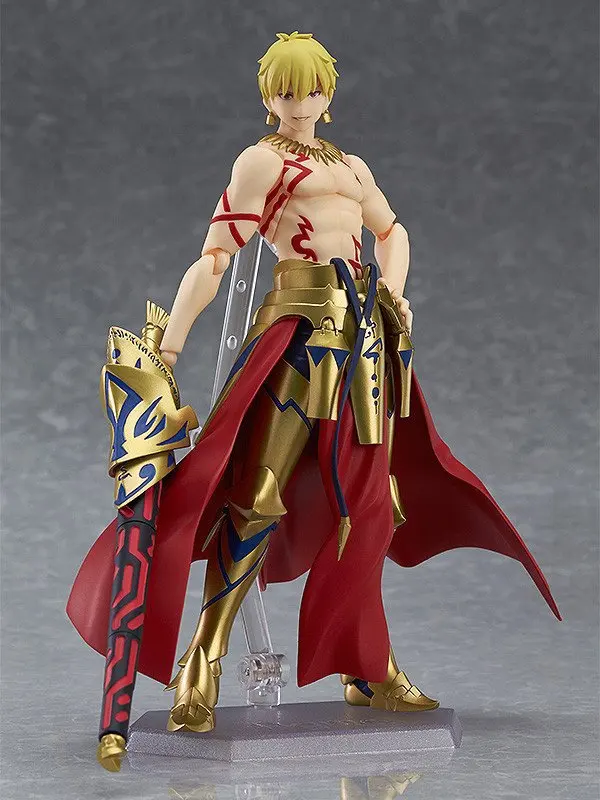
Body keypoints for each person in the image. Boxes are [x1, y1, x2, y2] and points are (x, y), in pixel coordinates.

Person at [68, 31, 559, 747]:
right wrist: (171, 343)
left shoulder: (352, 167)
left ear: (329, 94)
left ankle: (366, 665)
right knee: (256, 495)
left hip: (362, 343)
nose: (300, 102)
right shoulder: (261, 161)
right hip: (296, 334)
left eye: (312, 89)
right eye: (287, 90)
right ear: (269, 97)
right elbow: (216, 257)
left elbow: (393, 231)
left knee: (370, 504)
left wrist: (394, 293)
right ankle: (202, 661)